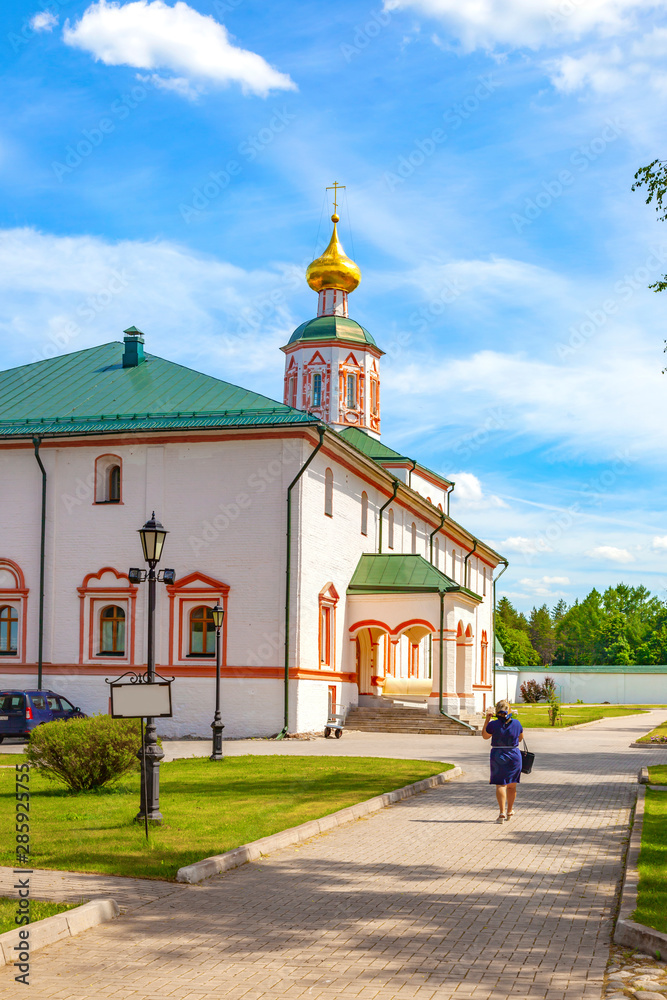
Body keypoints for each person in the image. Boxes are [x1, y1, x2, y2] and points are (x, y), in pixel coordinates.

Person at [482, 699, 524, 824]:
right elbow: (520, 739)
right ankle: (510, 811)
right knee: (512, 785)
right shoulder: (517, 723)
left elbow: (485, 736)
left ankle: (501, 813)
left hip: (498, 755)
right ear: (509, 710)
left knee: (501, 784)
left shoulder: (493, 724)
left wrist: (487, 719)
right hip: (514, 755)